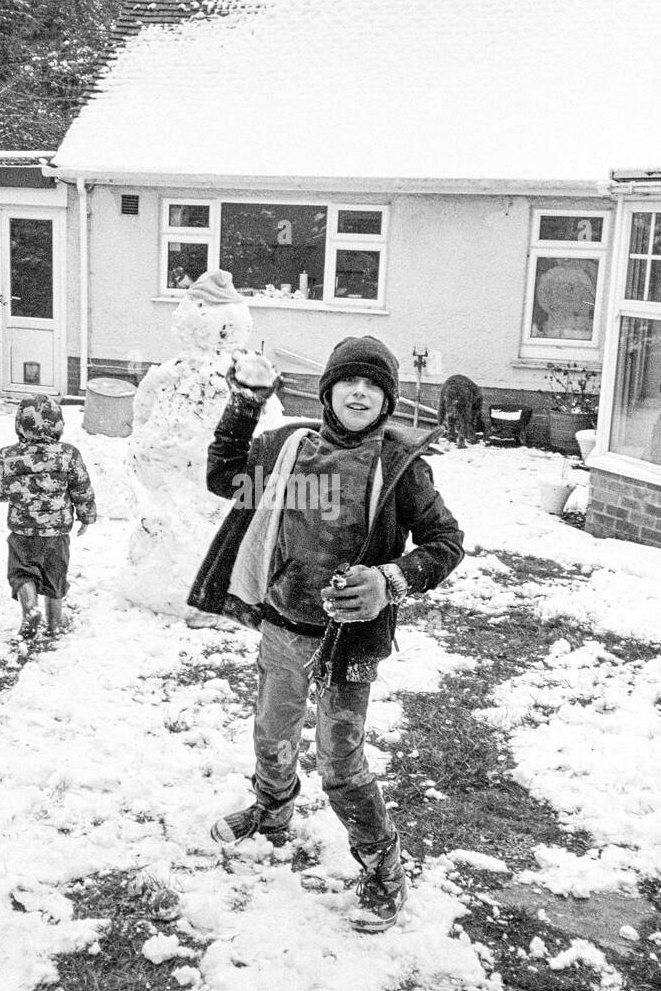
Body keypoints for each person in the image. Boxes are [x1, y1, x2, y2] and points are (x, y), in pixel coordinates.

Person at [188, 335, 464, 932]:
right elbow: (222, 477)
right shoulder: (291, 454)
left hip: (350, 643)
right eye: (349, 382)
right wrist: (247, 402)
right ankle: (272, 808)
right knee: (271, 729)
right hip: (285, 624)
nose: (360, 392)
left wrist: (391, 579)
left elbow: (446, 543)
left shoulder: (397, 469)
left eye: (373, 385)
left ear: (387, 401)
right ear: (328, 391)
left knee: (340, 759)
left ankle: (383, 864)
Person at [0, 395, 96, 638]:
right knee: (55, 576)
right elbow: (81, 488)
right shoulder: (69, 454)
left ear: (20, 424)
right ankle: (55, 623)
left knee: (23, 573)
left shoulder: (8, 455)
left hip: (23, 532)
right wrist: (86, 516)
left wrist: (17, 491)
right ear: (58, 424)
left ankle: (31, 609)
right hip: (56, 534)